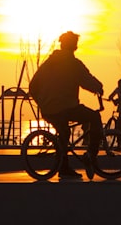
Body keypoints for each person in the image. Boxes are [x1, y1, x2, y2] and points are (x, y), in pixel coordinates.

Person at [28, 31, 104, 179]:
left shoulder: (48, 63)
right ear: (74, 46)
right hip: (67, 107)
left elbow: (32, 86)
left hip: (48, 109)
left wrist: (42, 102)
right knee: (94, 117)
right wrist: (99, 88)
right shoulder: (73, 64)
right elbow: (88, 81)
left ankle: (63, 167)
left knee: (64, 132)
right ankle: (91, 156)